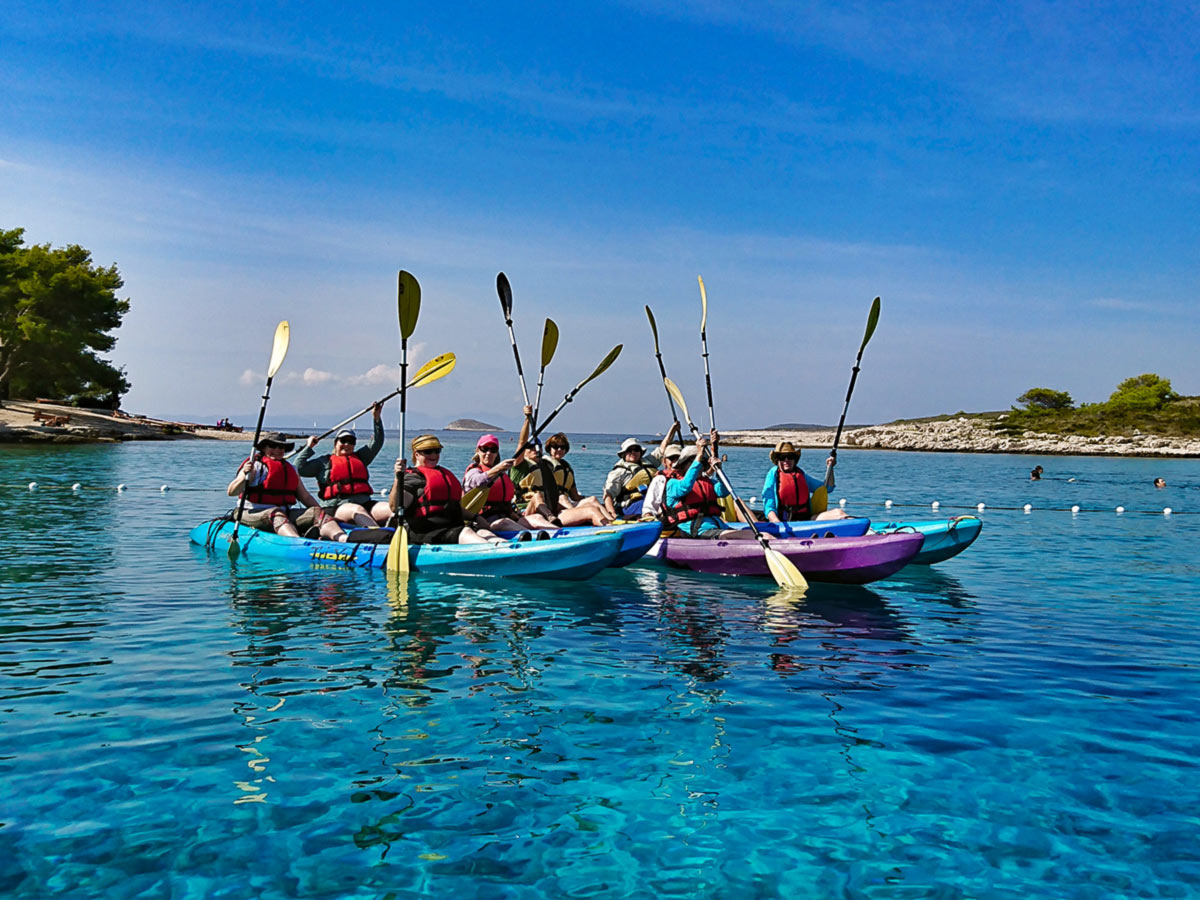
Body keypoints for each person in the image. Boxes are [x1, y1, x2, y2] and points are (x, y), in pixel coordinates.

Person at [226, 432, 348, 541]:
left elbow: (305, 497)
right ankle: (298, 542)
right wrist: (243, 477)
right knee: (276, 514)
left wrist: (321, 513)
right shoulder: (255, 467)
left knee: (316, 512)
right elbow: (231, 491)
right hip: (251, 512)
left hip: (284, 513)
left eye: (281, 447)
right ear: (264, 448)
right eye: (273, 446)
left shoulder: (291, 469)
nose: (278, 450)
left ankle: (343, 540)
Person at [388, 435, 505, 545]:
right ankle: (498, 552)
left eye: (437, 451)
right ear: (416, 454)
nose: (433, 455)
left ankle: (509, 548)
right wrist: (398, 478)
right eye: (428, 451)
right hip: (426, 532)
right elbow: (395, 507)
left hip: (453, 528)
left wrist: (476, 517)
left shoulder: (445, 474)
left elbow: (455, 507)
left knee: (484, 533)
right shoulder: (411, 478)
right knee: (466, 533)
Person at [294, 402, 390, 527]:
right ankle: (380, 536)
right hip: (335, 507)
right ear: (335, 443)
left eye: (351, 441)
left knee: (390, 508)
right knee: (357, 510)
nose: (347, 444)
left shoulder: (361, 457)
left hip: (365, 503)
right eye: (343, 441)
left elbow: (377, 441)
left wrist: (376, 417)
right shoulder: (323, 462)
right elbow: (298, 468)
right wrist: (309, 447)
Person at [660, 432, 757, 539]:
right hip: (696, 530)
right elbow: (686, 486)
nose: (698, 465)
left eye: (701, 462)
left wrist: (719, 469)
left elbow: (724, 491)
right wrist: (699, 456)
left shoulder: (708, 483)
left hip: (717, 527)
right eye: (692, 462)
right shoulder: (673, 484)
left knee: (762, 533)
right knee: (752, 535)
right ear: (683, 465)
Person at [462, 433, 557, 531]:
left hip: (507, 517)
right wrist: (498, 469)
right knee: (505, 522)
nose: (489, 453)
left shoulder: (502, 475)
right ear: (478, 451)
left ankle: (559, 533)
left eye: (493, 450)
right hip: (485, 522)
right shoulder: (473, 472)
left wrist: (513, 513)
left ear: (497, 453)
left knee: (536, 518)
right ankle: (533, 537)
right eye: (484, 449)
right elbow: (478, 481)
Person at [603, 422, 680, 518]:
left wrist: (673, 429)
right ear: (624, 453)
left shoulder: (648, 461)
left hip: (653, 500)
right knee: (652, 506)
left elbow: (663, 448)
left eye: (636, 449)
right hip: (631, 505)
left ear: (640, 452)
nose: (633, 452)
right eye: (629, 450)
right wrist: (612, 515)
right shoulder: (619, 472)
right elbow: (608, 495)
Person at [761, 441, 848, 522]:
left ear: (795, 459)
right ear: (777, 460)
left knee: (839, 513)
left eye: (790, 456)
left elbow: (828, 488)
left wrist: (830, 467)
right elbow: (769, 507)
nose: (786, 460)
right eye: (782, 457)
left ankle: (859, 529)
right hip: (783, 522)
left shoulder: (801, 475)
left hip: (806, 520)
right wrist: (777, 523)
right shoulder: (773, 476)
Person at [544, 432, 609, 518]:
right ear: (549, 449)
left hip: (566, 503)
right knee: (562, 497)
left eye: (562, 447)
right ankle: (577, 516)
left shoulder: (567, 468)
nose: (559, 449)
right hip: (552, 504)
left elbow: (574, 496)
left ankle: (611, 519)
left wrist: (588, 500)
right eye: (556, 447)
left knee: (592, 499)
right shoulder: (545, 465)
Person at [642, 442, 684, 519]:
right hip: (667, 520)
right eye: (672, 458)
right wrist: (648, 516)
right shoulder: (660, 479)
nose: (675, 462)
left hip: (689, 519)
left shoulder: (689, 478)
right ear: (664, 462)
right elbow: (649, 508)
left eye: (678, 459)